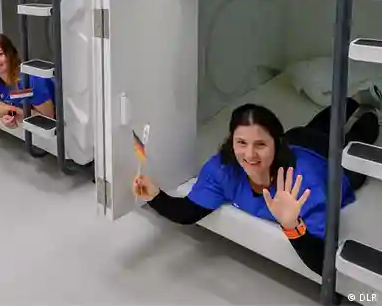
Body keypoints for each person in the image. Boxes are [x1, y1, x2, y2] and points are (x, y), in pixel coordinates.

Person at [133, 100, 379, 275]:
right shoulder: (223, 169)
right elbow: (189, 211)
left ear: (275, 144)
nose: (250, 155)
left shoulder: (305, 186)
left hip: (327, 161)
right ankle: (350, 101)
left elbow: (323, 265)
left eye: (260, 144)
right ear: (231, 142)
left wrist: (292, 225)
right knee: (315, 127)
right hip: (297, 137)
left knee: (353, 139)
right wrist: (155, 196)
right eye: (241, 142)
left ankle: (372, 112)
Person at [0, 33, 55, 128]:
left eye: (0, 54)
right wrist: (6, 118)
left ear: (11, 55)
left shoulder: (30, 81)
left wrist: (10, 110)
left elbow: (48, 120)